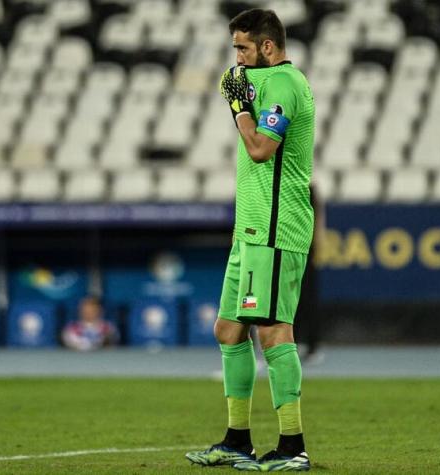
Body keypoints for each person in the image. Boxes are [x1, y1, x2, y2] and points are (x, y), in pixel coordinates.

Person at [185, 9, 315, 472]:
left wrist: (239, 109)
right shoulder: (258, 81)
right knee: (228, 329)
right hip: (251, 230)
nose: (236, 57)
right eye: (233, 48)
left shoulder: (283, 83)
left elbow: (261, 149)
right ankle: (237, 440)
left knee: (274, 331)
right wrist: (241, 100)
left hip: (278, 227)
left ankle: (292, 446)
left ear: (267, 46)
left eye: (242, 47)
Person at [294, 182, 325, 364]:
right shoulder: (288, 185)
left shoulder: (308, 189)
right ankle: (292, 343)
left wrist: (316, 245)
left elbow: (317, 220)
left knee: (307, 300)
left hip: (305, 250)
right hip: (290, 248)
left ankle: (312, 346)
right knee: (290, 301)